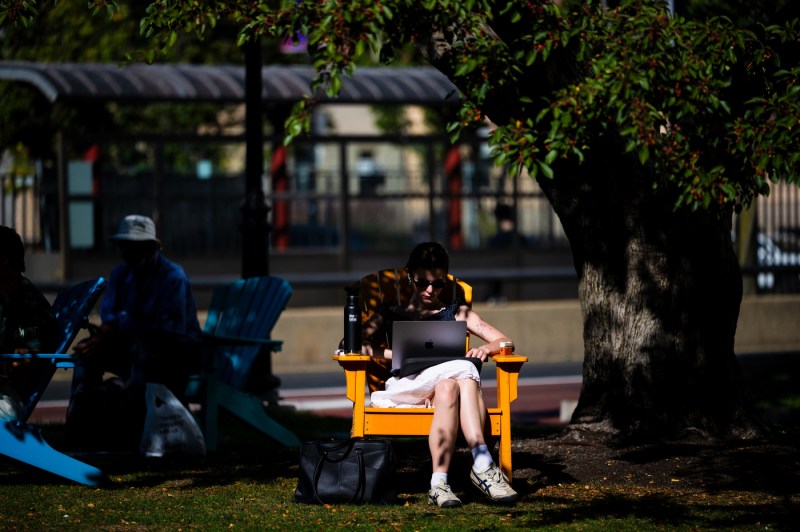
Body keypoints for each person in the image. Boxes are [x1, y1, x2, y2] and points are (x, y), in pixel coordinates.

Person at [360, 241, 518, 507]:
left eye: (439, 284)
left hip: (443, 395)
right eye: (422, 283)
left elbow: (506, 343)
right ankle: (482, 462)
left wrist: (486, 349)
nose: (430, 290)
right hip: (405, 390)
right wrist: (395, 354)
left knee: (449, 386)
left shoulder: (458, 313)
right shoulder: (391, 313)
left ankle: (439, 484)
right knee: (465, 368)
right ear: (410, 276)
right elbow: (351, 345)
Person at [67, 214, 202, 448]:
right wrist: (103, 337)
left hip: (173, 354)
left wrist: (114, 332)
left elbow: (166, 332)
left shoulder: (173, 277)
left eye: (134, 247)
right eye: (125, 246)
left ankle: (133, 429)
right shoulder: (121, 274)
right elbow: (109, 318)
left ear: (150, 248)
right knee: (84, 356)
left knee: (142, 352)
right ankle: (78, 428)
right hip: (130, 346)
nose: (127, 253)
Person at [0, 226, 60, 421]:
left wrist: (16, 356)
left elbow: (30, 352)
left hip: (8, 395)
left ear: (4, 259)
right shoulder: (6, 298)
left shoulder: (31, 304)